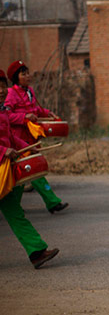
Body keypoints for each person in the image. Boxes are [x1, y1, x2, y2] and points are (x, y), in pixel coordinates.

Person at [0, 69, 59, 269]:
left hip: (6, 168)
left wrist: (25, 146)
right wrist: (3, 150)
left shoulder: (2, 111)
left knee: (14, 211)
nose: (1, 91)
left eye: (2, 86)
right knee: (14, 211)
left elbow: (9, 136)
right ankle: (36, 251)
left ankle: (36, 251)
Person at [4, 60, 68, 214]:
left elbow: (36, 109)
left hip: (32, 137)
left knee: (24, 173)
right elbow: (7, 115)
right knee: (33, 170)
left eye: (27, 72)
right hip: (19, 139)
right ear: (15, 77)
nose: (27, 76)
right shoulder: (11, 93)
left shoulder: (30, 91)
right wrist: (24, 116)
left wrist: (47, 113)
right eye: (23, 74)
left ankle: (13, 206)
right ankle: (52, 202)